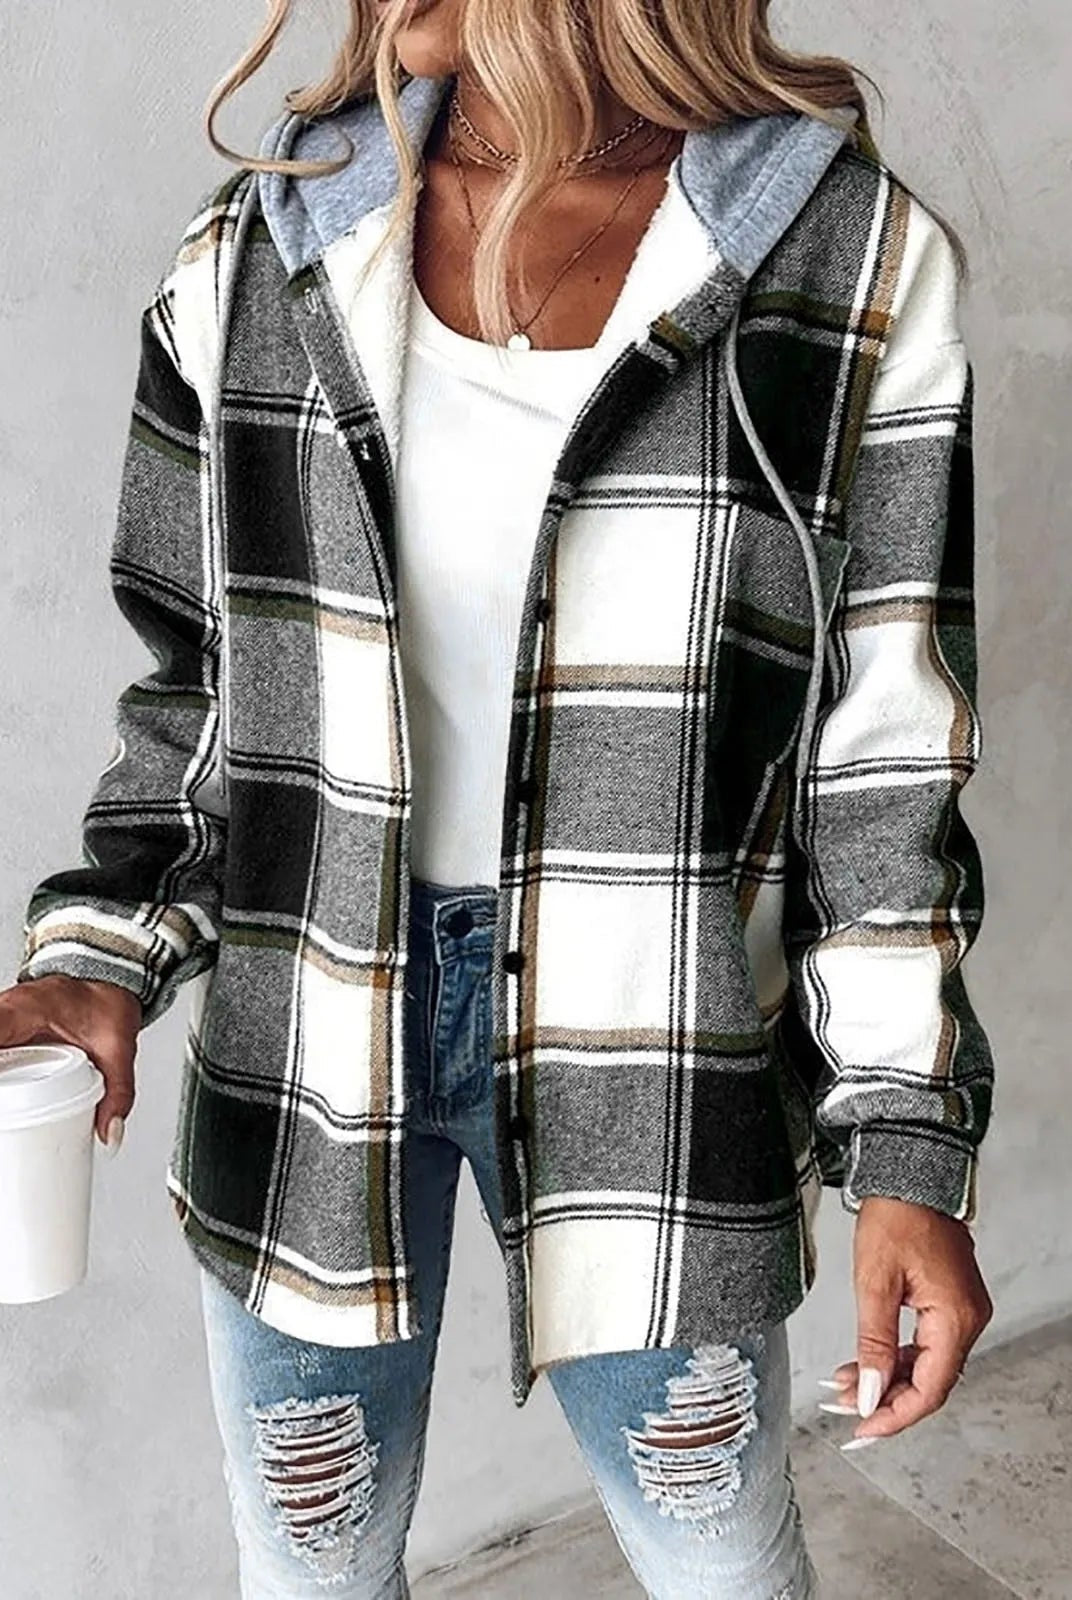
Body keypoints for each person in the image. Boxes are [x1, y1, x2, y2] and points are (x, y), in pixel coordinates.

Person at [3, 0, 996, 1593]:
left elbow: (883, 759)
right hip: (315, 1025)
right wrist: (95, 957)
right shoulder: (265, 250)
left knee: (720, 1560)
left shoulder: (844, 261)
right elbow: (199, 691)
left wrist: (905, 1150)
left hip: (658, 1045)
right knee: (313, 1566)